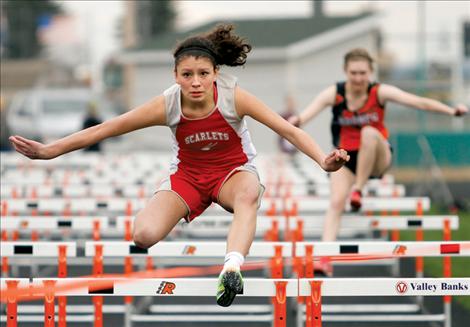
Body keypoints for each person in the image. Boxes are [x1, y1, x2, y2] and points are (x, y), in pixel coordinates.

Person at [9, 24, 349, 307]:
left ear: (216, 73)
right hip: (188, 177)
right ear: (176, 76)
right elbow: (105, 128)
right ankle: (189, 228)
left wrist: (323, 160)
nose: (196, 82)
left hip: (232, 174)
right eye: (188, 75)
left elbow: (287, 129)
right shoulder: (167, 104)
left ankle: (231, 268)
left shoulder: (233, 96)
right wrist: (50, 150)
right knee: (143, 234)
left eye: (203, 74)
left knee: (248, 193)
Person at [289, 48, 468, 275]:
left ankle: (359, 190)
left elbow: (417, 102)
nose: (358, 78)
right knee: (335, 203)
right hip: (347, 159)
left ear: (370, 72)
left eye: (362, 73)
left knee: (369, 133)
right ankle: (325, 259)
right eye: (353, 73)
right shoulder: (335, 93)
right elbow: (306, 114)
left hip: (378, 156)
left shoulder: (379, 92)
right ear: (346, 72)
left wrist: (452, 111)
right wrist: (295, 120)